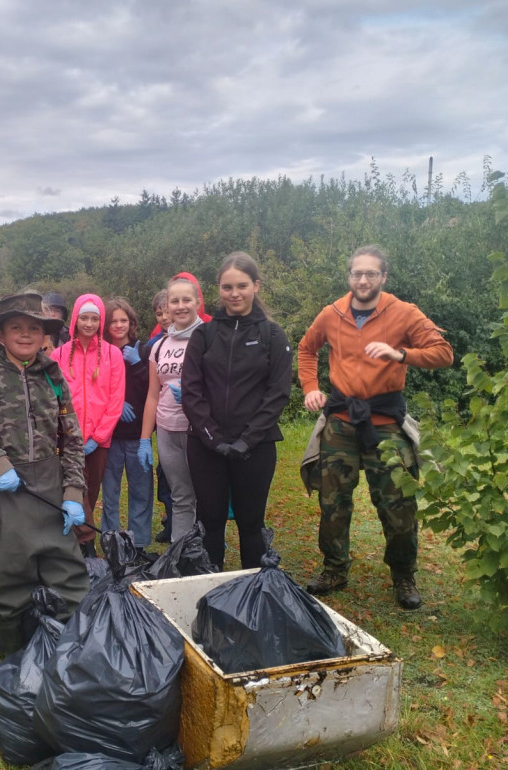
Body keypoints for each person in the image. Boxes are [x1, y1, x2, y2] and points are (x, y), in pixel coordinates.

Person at [298, 245, 453, 609]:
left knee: (398, 505)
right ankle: (334, 569)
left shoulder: (404, 313)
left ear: (384, 277)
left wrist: (402, 354)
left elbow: (443, 352)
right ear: (349, 276)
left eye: (371, 274)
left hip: (385, 424)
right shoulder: (332, 313)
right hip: (340, 422)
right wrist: (310, 387)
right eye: (357, 273)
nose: (363, 280)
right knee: (332, 502)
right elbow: (307, 350)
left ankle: (403, 575)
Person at [0, 292, 88, 653]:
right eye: (17, 327)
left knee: (69, 570)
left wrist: (73, 494)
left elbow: (73, 439)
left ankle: (70, 649)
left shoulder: (54, 377)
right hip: (7, 491)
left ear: (45, 335)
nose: (26, 335)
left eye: (34, 328)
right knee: (9, 573)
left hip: (50, 487)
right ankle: (12, 652)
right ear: (2, 335)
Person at [182, 253, 293, 570]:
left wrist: (248, 439)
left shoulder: (273, 335)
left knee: (251, 521)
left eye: (242, 286)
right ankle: (208, 587)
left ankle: (253, 592)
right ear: (218, 289)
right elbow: (191, 391)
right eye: (227, 287)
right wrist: (212, 438)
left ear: (256, 286)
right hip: (206, 446)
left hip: (255, 446)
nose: (234, 294)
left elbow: (277, 393)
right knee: (210, 519)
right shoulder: (203, 335)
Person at [51, 294, 126, 557]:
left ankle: (76, 541)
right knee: (72, 489)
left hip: (98, 439)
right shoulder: (59, 354)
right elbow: (54, 396)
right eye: (84, 317)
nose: (89, 323)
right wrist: (66, 434)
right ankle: (86, 545)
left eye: (95, 318)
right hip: (67, 438)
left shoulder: (112, 354)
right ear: (75, 319)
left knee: (90, 492)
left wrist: (99, 435)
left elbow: (115, 398)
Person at [139, 275, 204, 545]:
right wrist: (144, 439)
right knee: (180, 496)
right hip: (167, 429)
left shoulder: (208, 338)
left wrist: (194, 393)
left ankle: (209, 552)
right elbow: (153, 395)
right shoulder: (161, 345)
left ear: (197, 302)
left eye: (186, 300)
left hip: (200, 430)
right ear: (167, 306)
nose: (180, 306)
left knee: (206, 494)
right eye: (174, 301)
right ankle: (181, 555)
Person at [101, 298, 155, 561]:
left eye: (124, 320)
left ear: (131, 323)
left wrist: (136, 364)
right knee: (110, 492)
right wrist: (115, 403)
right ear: (106, 325)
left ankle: (139, 543)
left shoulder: (142, 351)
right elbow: (95, 391)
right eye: (113, 321)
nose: (119, 325)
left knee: (141, 492)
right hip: (109, 437)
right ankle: (111, 542)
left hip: (138, 436)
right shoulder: (101, 353)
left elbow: (152, 391)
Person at [148, 289, 174, 544]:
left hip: (194, 426)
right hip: (164, 424)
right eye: (159, 313)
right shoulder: (154, 344)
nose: (165, 317)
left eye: (168, 311)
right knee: (165, 475)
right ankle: (171, 521)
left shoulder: (199, 337)